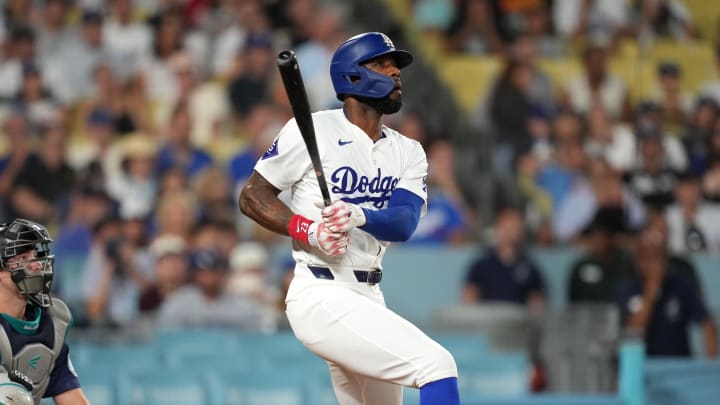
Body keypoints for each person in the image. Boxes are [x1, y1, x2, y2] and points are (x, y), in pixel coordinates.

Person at [238, 32, 460, 405]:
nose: (395, 73)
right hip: (321, 291)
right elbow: (252, 197)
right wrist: (309, 230)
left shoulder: (408, 151)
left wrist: (358, 215)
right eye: (383, 64)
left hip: (369, 294)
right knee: (436, 366)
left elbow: (404, 222)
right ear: (353, 76)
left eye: (397, 66)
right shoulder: (314, 129)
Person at [0, 219, 90, 404]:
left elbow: (73, 399)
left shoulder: (50, 322)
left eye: (36, 255)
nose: (37, 265)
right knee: (10, 394)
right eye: (23, 258)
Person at [463, 208, 545, 310]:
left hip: (518, 323)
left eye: (517, 228)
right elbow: (469, 298)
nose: (513, 232)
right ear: (499, 229)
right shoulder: (481, 266)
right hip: (488, 322)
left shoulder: (530, 267)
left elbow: (537, 303)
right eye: (509, 228)